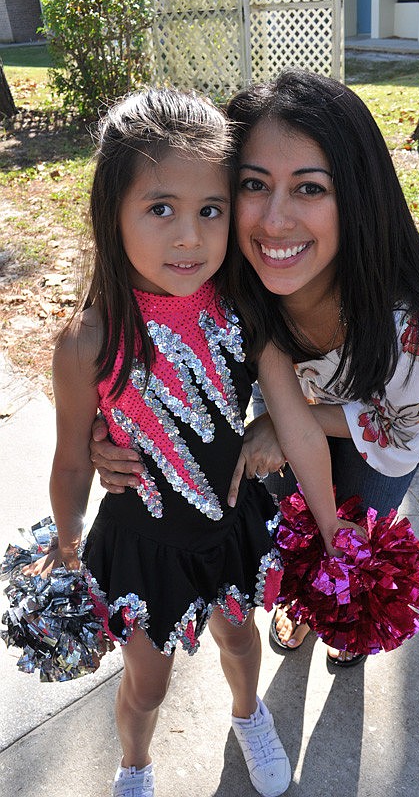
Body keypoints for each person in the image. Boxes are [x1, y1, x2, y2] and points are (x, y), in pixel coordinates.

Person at [26, 87, 363, 797]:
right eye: (160, 209)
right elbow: (68, 458)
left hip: (228, 524)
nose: (189, 237)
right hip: (140, 544)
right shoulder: (89, 340)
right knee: (146, 687)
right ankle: (135, 763)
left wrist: (336, 530)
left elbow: (294, 419)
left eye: (209, 210)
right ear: (109, 212)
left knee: (240, 640)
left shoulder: (243, 305)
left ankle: (248, 715)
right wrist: (64, 544)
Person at [90, 70, 419, 668]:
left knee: (355, 531)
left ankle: (349, 606)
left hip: (383, 438)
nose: (273, 221)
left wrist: (296, 421)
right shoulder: (225, 277)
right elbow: (134, 340)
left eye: (310, 189)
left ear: (357, 193)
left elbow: (407, 428)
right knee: (293, 522)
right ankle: (303, 595)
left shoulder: (407, 320)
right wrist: (107, 429)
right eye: (253, 185)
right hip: (289, 429)